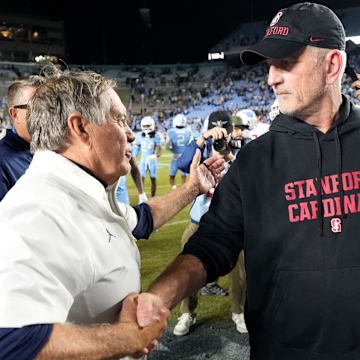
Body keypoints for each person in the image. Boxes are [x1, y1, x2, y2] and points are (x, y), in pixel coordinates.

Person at [135, 3, 360, 359]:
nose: (271, 77)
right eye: (270, 65)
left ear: (332, 65)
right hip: (282, 350)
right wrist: (158, 296)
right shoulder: (255, 160)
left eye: (286, 62)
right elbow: (211, 244)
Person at [0, 67, 225, 360]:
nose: (130, 134)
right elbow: (9, 338)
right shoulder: (37, 211)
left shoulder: (80, 187)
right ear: (80, 128)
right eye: (119, 120)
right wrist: (125, 337)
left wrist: (192, 187)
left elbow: (140, 222)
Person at [173, 110, 247, 336]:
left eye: (223, 132)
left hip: (233, 225)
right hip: (200, 222)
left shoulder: (240, 150)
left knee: (240, 274)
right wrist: (201, 139)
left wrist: (231, 156)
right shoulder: (201, 149)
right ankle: (187, 312)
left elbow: (251, 177)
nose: (220, 140)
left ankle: (238, 311)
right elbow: (182, 164)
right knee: (188, 270)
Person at [0, 76, 44, 200]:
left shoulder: (54, 151)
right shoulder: (3, 161)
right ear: (15, 114)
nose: (46, 114)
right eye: (36, 108)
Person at [134, 116, 162, 197]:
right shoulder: (139, 135)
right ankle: (142, 197)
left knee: (153, 179)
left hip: (152, 161)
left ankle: (153, 197)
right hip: (143, 161)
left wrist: (154, 156)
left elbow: (159, 151)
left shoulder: (156, 135)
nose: (146, 128)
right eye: (145, 126)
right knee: (141, 179)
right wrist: (134, 158)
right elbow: (136, 149)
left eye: (148, 126)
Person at [165, 113, 193, 189]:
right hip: (184, 156)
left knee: (172, 175)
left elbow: (167, 145)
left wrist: (171, 149)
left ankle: (174, 189)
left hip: (175, 156)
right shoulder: (188, 131)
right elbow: (191, 144)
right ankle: (183, 190)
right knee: (184, 176)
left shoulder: (171, 131)